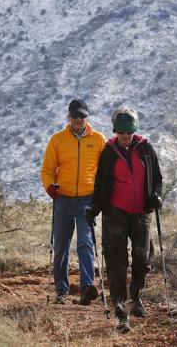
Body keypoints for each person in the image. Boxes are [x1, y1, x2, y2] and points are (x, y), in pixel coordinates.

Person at [85, 105, 163, 333]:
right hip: (115, 213)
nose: (125, 138)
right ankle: (120, 309)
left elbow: (157, 179)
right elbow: (100, 184)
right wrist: (96, 206)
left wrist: (156, 195)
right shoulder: (108, 153)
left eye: (128, 133)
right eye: (121, 134)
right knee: (116, 261)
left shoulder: (146, 150)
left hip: (141, 212)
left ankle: (136, 297)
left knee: (141, 257)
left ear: (134, 131)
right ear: (115, 132)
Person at [42, 98, 107, 305]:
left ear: (86, 117)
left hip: (87, 199)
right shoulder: (57, 140)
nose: (78, 120)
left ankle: (87, 287)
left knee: (85, 242)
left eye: (82, 116)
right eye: (75, 116)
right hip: (63, 198)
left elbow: (104, 172)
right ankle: (61, 290)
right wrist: (50, 186)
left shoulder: (98, 140)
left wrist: (100, 197)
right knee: (61, 245)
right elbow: (48, 170)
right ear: (68, 116)